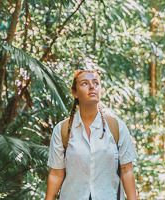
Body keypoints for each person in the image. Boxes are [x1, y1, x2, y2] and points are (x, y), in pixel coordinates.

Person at [45, 69, 138, 200]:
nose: (92, 86)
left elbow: (127, 170)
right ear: (75, 93)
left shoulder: (117, 127)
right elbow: (56, 174)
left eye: (96, 83)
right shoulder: (62, 130)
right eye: (84, 83)